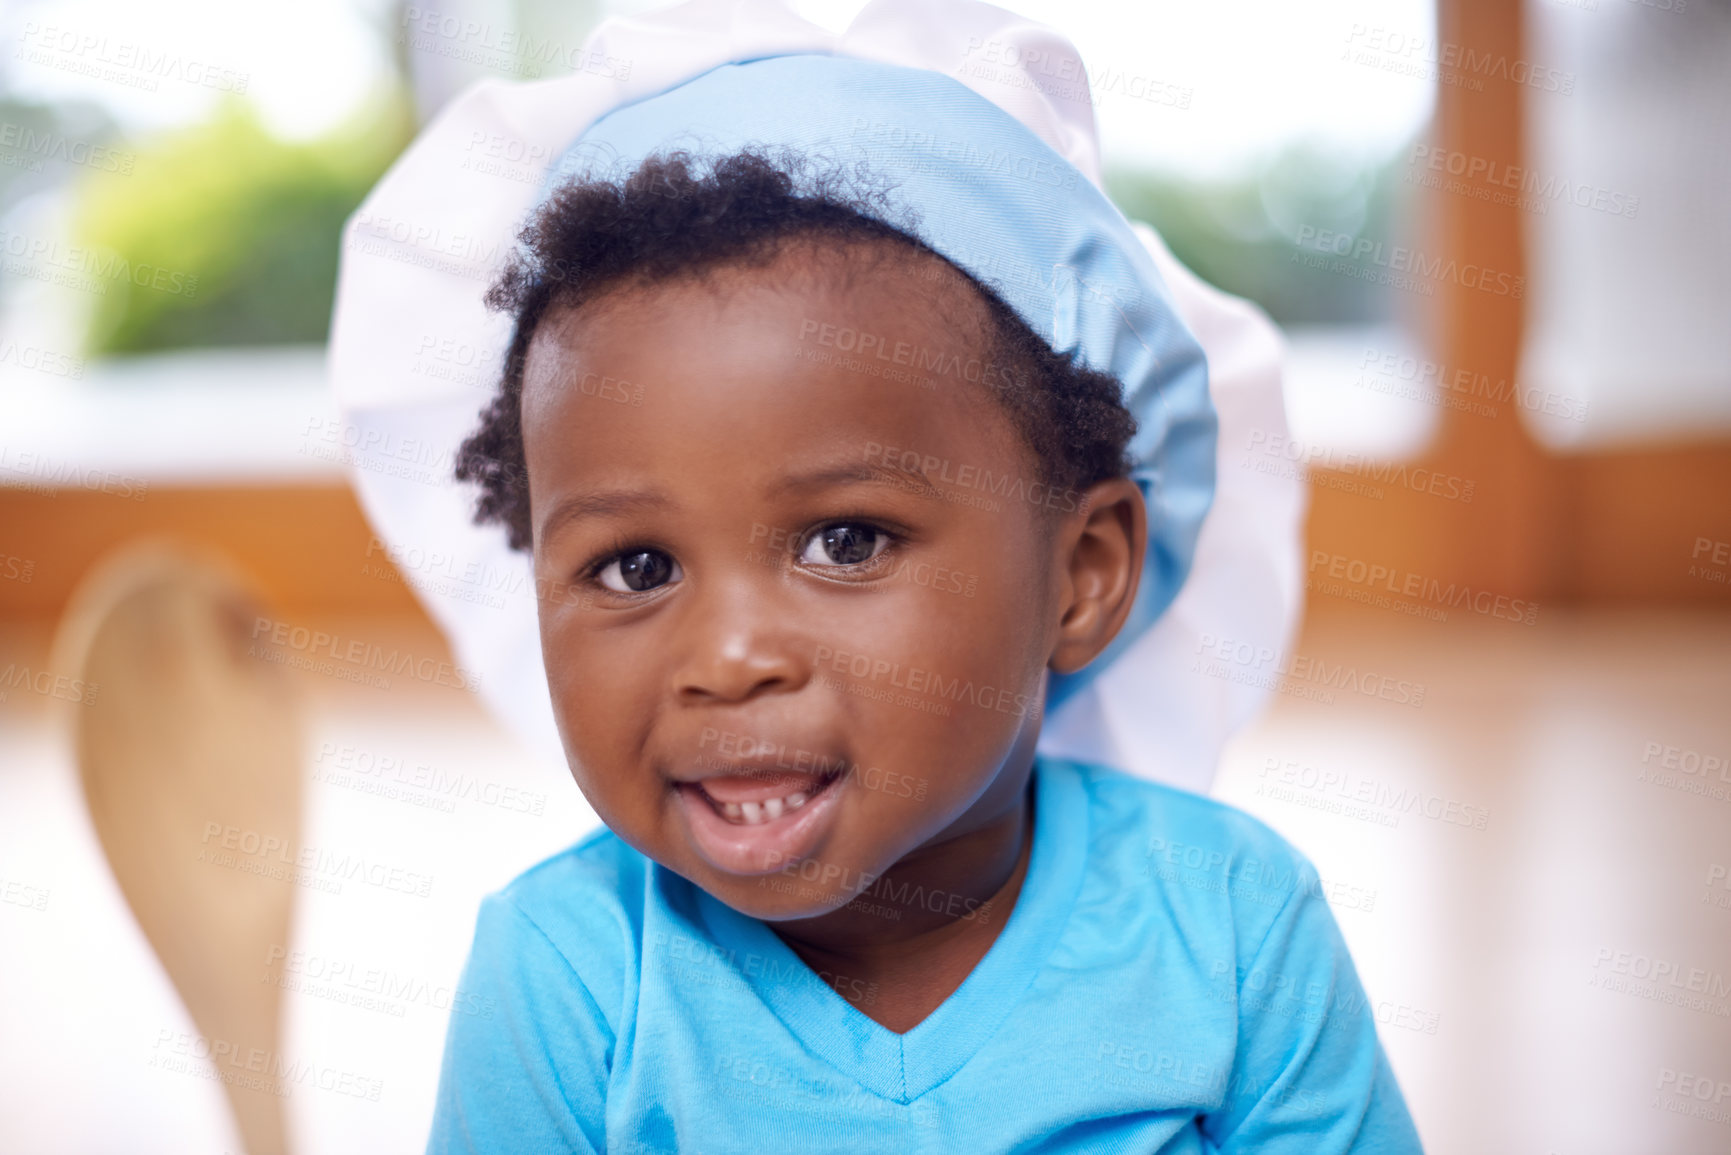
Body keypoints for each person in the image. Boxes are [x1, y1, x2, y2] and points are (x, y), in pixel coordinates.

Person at [397, 43, 1422, 1153]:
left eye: (845, 541)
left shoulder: (1228, 922)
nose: (731, 656)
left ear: (1081, 575)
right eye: (636, 567)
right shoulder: (565, 975)